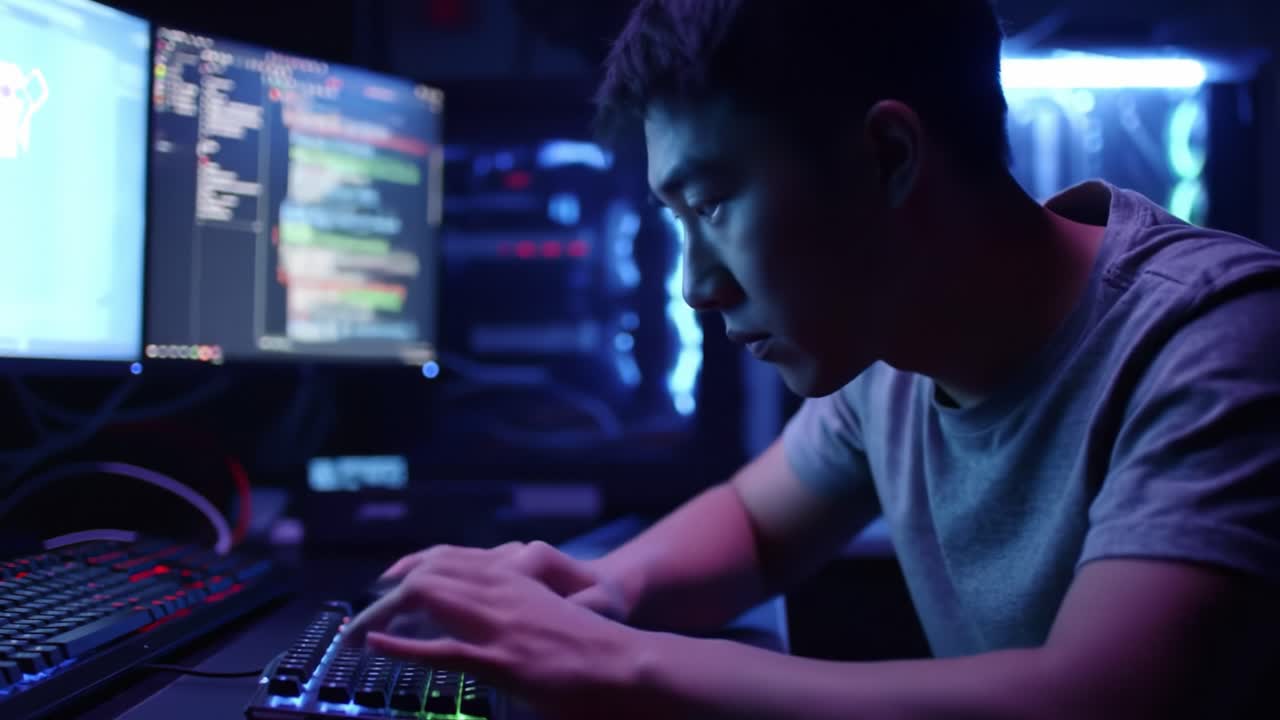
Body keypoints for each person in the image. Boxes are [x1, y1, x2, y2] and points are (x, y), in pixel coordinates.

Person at [343, 1, 1280, 717]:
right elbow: (755, 523)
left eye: (711, 205)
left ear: (889, 156)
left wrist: (608, 660)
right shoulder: (898, 352)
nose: (694, 286)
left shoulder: (1215, 340)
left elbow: (1094, 700)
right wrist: (603, 590)